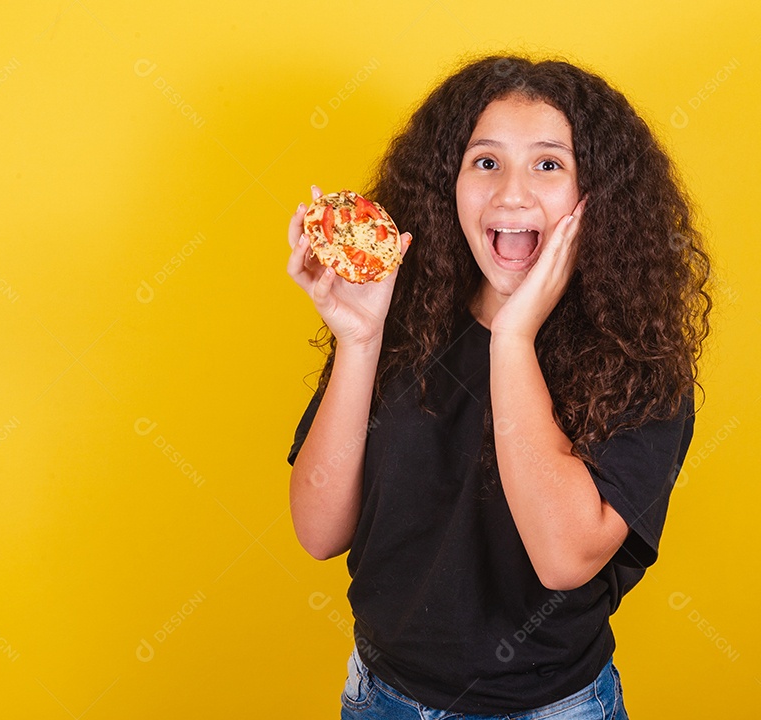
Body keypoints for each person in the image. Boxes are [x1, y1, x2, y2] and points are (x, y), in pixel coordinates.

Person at [285, 54, 712, 720]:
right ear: (448, 185)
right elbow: (317, 531)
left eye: (548, 164)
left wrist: (512, 340)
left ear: (592, 195)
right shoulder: (402, 322)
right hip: (380, 699)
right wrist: (359, 342)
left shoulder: (639, 360)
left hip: (554, 708)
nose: (511, 193)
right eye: (486, 162)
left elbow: (564, 558)